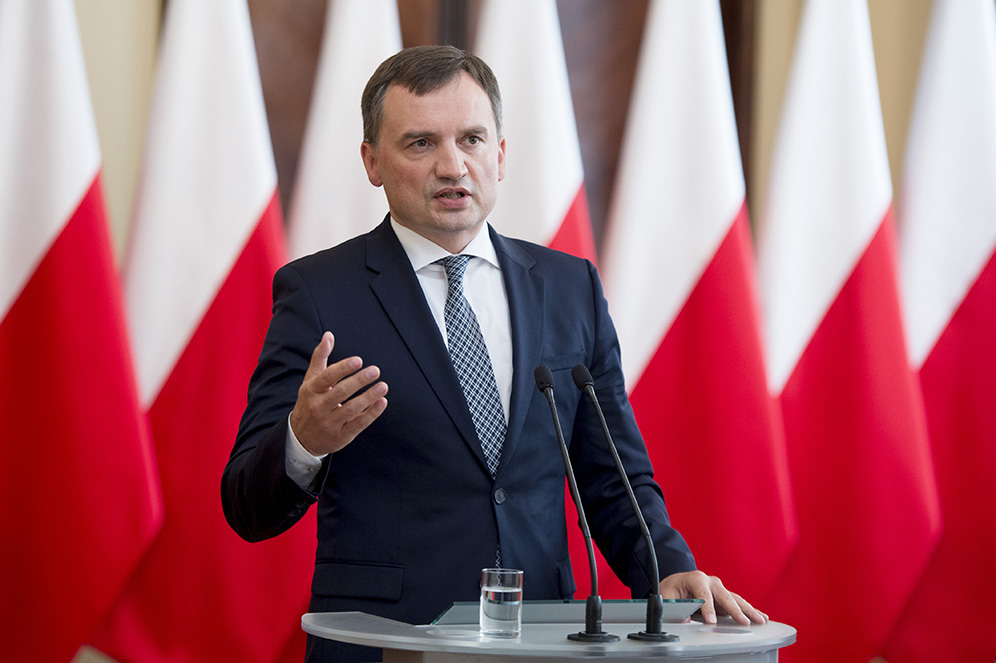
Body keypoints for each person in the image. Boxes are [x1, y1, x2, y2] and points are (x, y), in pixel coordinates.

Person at [222, 44, 766, 663]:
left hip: (543, 641)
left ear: (500, 155)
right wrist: (304, 440)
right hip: (388, 642)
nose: (452, 165)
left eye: (472, 140)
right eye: (421, 143)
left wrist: (665, 569)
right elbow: (246, 506)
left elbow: (613, 474)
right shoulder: (320, 294)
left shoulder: (569, 288)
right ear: (372, 162)